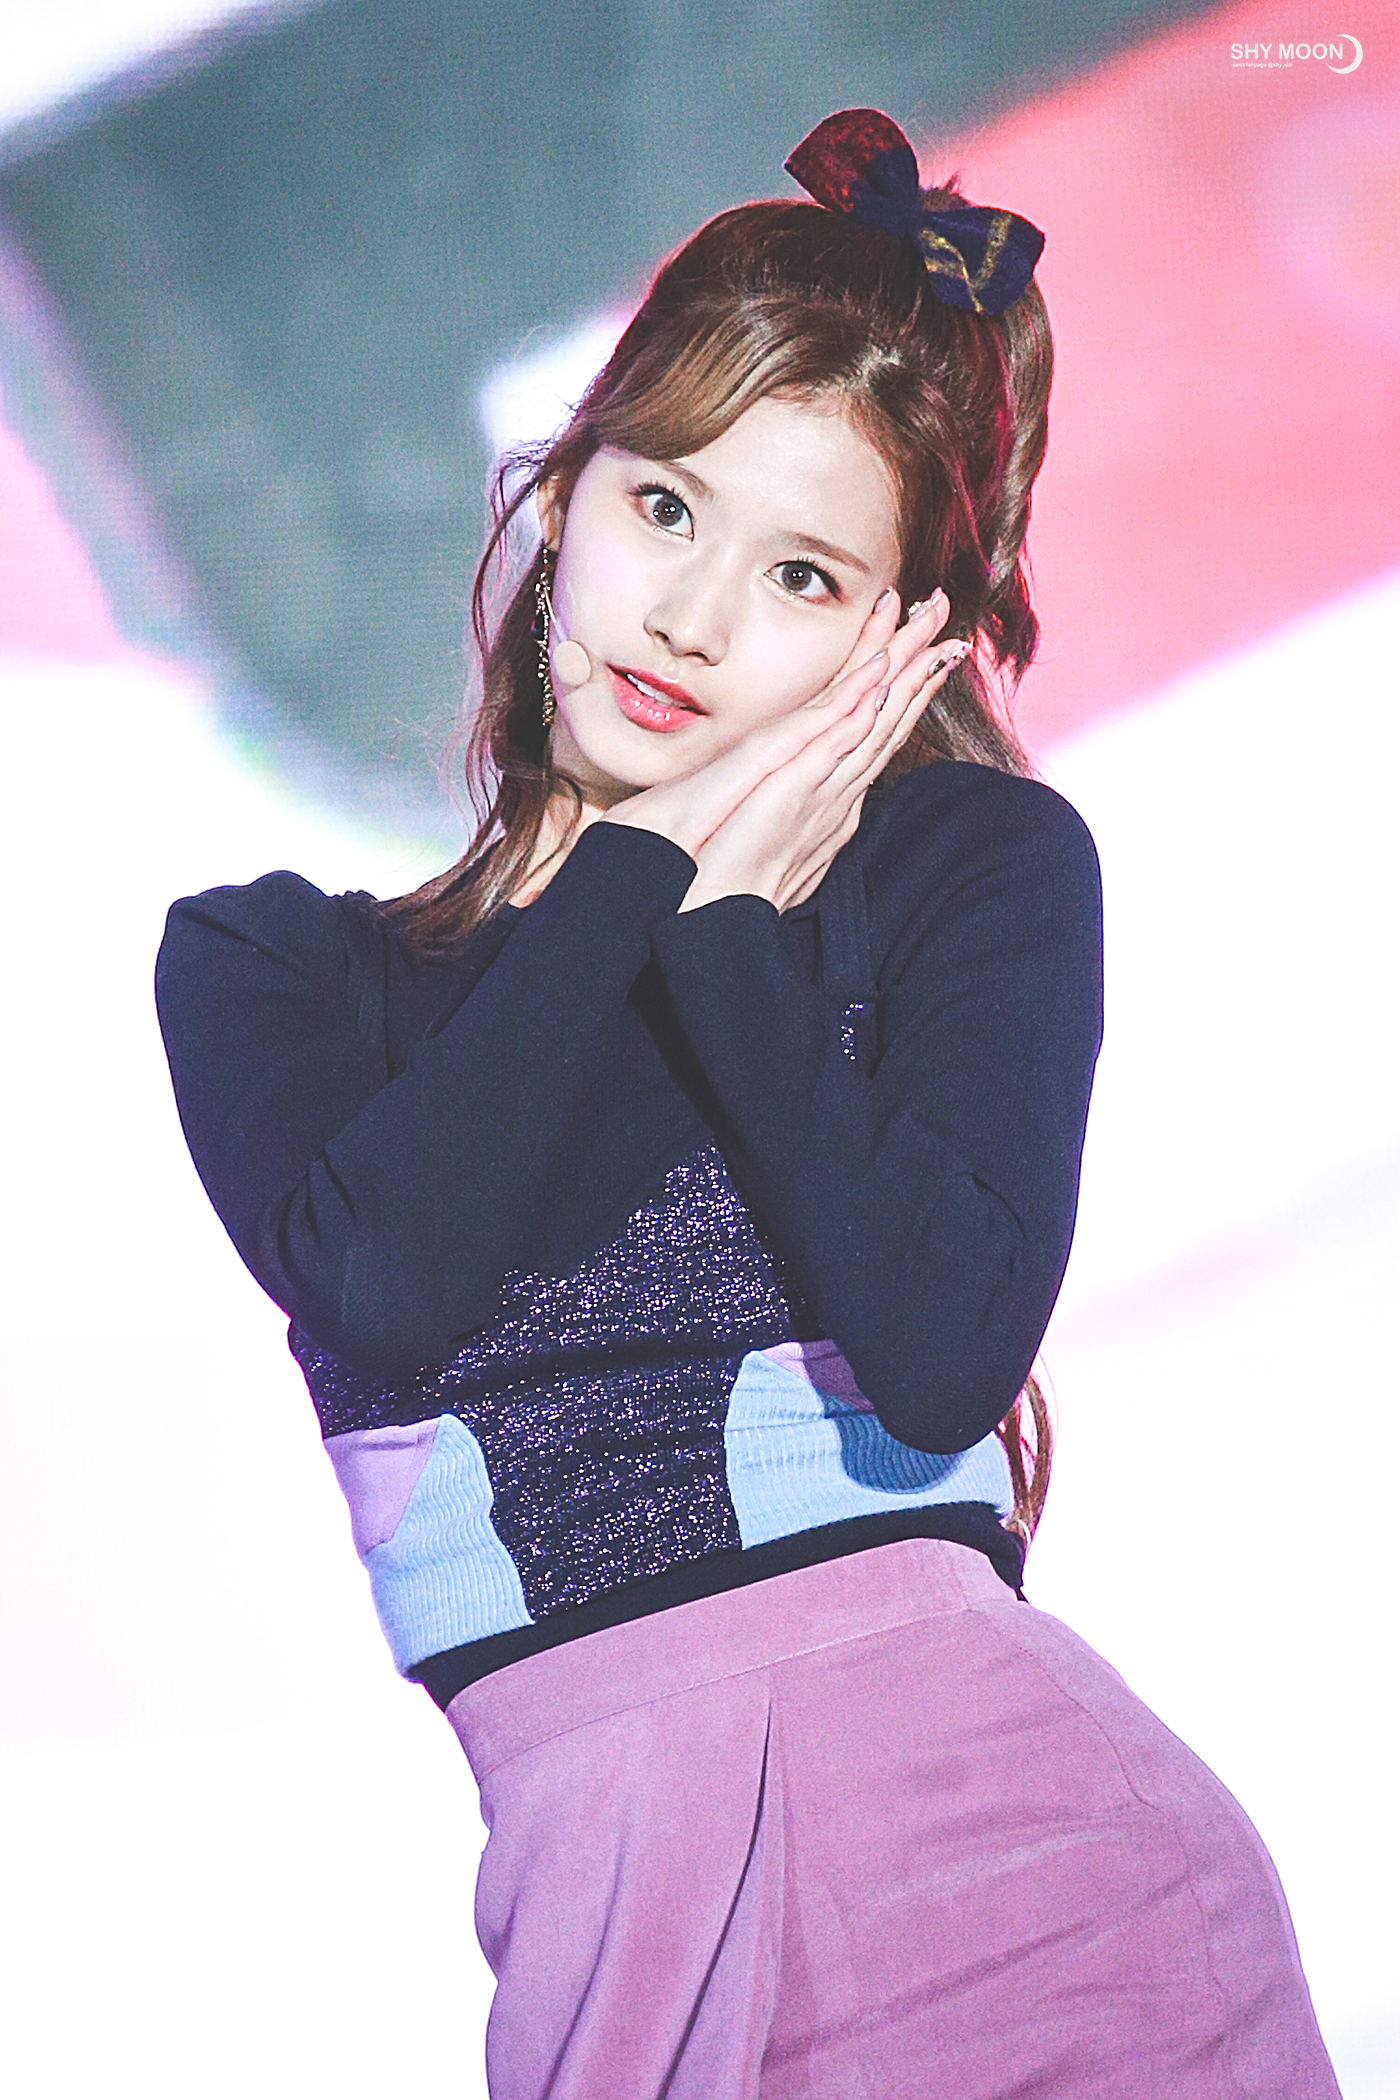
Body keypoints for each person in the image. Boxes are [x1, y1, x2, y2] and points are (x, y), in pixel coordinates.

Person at [155, 109, 1340, 2100]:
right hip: (619, 1930)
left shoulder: (972, 877)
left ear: (899, 635)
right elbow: (393, 1279)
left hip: (1056, 1904)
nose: (691, 618)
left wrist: (721, 932)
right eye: (665, 505)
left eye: (801, 572)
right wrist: (639, 866)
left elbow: (945, 1353)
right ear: (562, 493)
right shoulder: (277, 968)